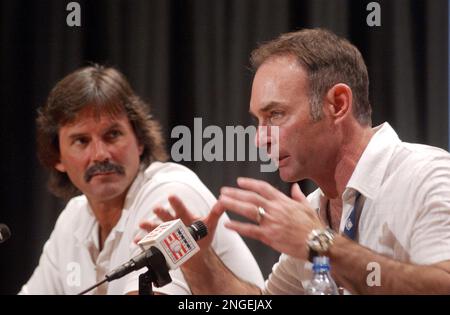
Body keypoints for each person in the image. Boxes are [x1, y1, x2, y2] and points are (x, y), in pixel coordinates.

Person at [141, 28, 450, 294]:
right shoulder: (314, 209)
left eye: (275, 115)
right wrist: (199, 263)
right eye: (258, 120)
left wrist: (322, 244)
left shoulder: (425, 175)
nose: (260, 139)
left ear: (337, 104)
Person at [19, 65, 264, 294]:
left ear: (139, 141)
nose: (100, 154)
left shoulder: (168, 195)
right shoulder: (74, 218)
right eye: (81, 141)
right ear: (57, 157)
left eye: (112, 134)